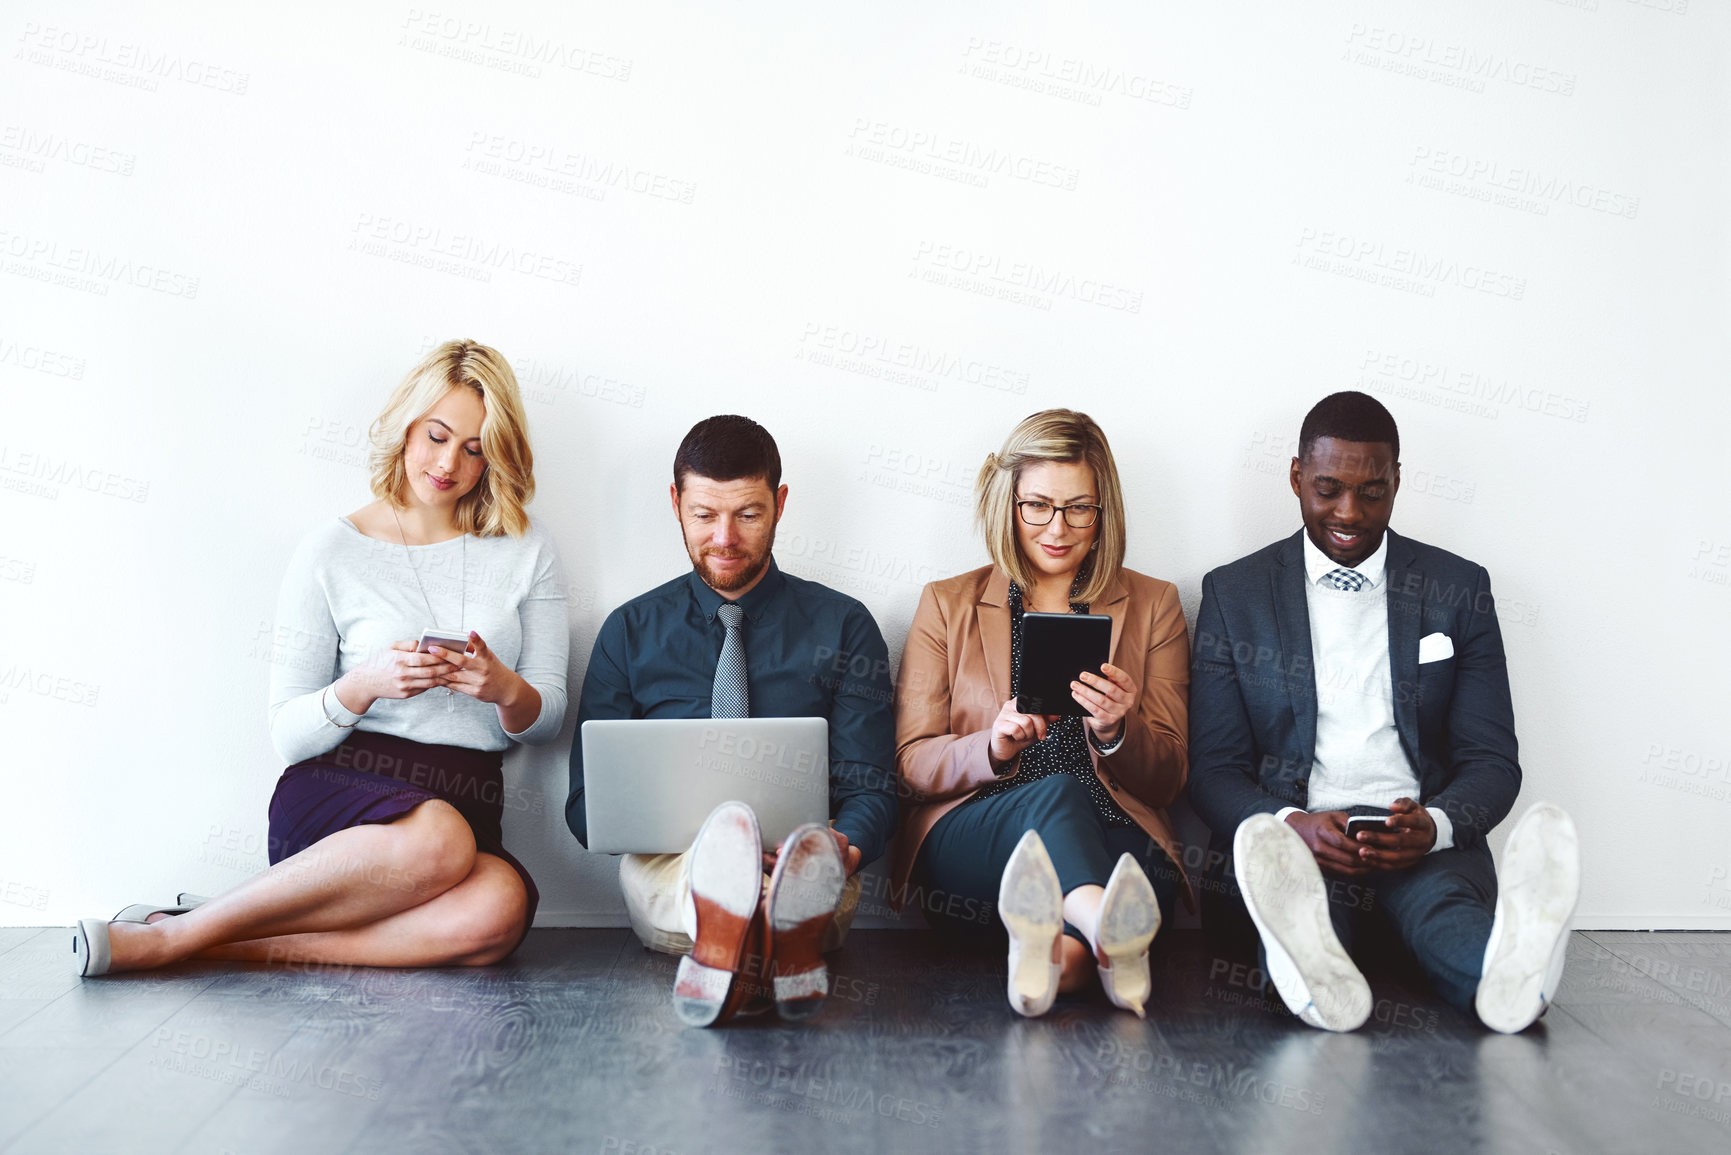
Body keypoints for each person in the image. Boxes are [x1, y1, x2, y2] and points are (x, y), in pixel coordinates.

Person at [71, 340, 569, 976]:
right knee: (440, 838)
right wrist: (364, 684)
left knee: (499, 909)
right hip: (345, 786)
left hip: (469, 794)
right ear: (407, 426)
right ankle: (170, 942)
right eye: (437, 436)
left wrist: (503, 687)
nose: (449, 463)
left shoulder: (528, 547)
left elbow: (548, 716)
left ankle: (219, 938)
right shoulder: (331, 549)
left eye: (474, 449)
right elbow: (286, 731)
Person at [1186, 391, 1580, 1033]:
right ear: (1295, 478)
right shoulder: (1235, 594)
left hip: (1417, 840)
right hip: (1300, 843)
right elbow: (1213, 770)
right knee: (1301, 909)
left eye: (1372, 491)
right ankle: (1311, 970)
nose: (1349, 512)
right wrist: (1289, 825)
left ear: (1398, 481)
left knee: (1448, 917)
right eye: (1328, 488)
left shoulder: (1458, 589)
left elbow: (1492, 760)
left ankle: (1516, 976)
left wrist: (1440, 825)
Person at [566, 415, 896, 1027]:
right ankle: (771, 934)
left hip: (806, 857)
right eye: (703, 515)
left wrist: (837, 850)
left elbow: (871, 788)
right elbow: (587, 807)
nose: (724, 536)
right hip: (673, 862)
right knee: (694, 873)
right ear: (675, 504)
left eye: (747, 514)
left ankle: (729, 946)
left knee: (806, 874)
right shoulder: (628, 632)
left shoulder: (845, 627)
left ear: (780, 503)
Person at [892, 409, 1192, 1018]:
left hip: (1115, 831)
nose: (1059, 528)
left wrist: (1116, 733)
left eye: (1080, 508)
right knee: (1056, 795)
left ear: (1104, 509)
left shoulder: (1155, 604)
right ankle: (1106, 922)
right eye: (1038, 506)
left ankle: (1060, 960)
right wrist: (993, 747)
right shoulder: (946, 604)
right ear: (1008, 502)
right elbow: (911, 764)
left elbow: (1170, 778)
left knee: (1124, 867)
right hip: (980, 837)